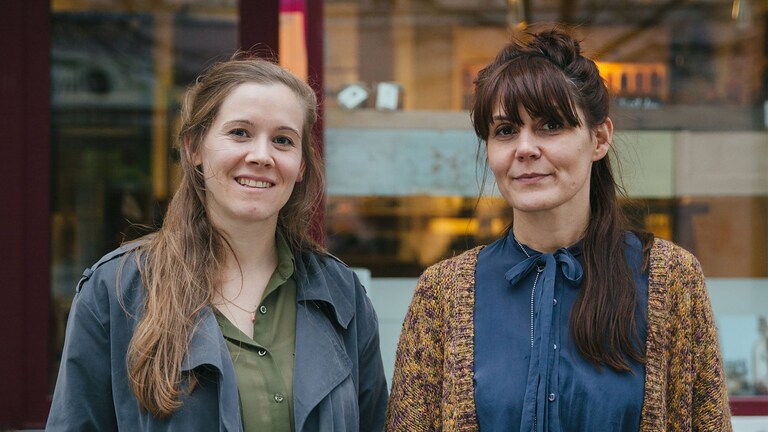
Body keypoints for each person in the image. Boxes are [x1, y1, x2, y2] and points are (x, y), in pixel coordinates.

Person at [385, 28, 731, 431]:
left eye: (551, 125)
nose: (525, 147)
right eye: (505, 130)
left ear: (599, 139)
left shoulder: (672, 280)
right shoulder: (441, 295)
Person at [46, 56, 388, 432]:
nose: (261, 156)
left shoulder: (341, 294)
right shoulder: (116, 291)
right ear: (194, 148)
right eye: (240, 132)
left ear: (301, 165)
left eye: (283, 140)